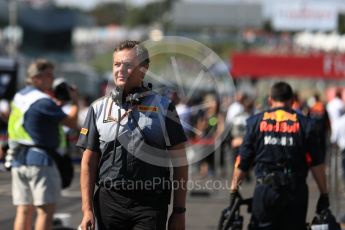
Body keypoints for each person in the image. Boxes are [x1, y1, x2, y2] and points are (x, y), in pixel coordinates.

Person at [77, 40, 188, 230]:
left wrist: (179, 212)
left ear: (144, 69)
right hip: (109, 202)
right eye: (117, 64)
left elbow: (180, 162)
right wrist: (87, 210)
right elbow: (88, 162)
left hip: (150, 203)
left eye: (128, 65)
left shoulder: (164, 107)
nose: (120, 70)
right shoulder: (98, 108)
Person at [229, 82, 329, 230]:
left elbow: (243, 161)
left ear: (270, 99)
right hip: (295, 192)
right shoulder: (306, 124)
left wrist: (234, 190)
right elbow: (317, 164)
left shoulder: (255, 123)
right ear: (292, 101)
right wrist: (324, 193)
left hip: (266, 190)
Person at [7, 59, 79, 230]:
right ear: (36, 77)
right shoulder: (43, 101)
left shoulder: (20, 96)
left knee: (23, 210)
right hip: (40, 161)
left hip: (18, 158)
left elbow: (34, 119)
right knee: (45, 211)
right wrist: (74, 101)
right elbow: (71, 122)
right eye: (49, 75)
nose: (52, 79)